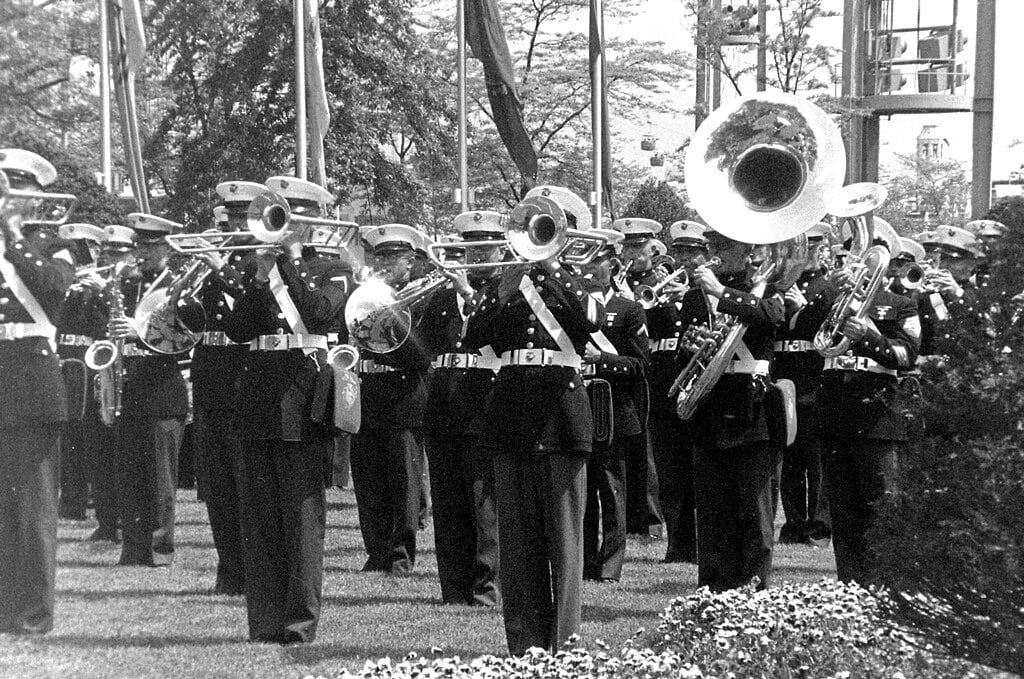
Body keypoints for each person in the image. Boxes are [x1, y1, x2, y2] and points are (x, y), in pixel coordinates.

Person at [463, 185, 602, 654]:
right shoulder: (504, 284)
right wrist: (498, 291)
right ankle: (524, 643)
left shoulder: (579, 281)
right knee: (518, 545)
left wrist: (550, 268)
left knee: (564, 544)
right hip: (512, 414)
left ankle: (565, 642)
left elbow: (590, 322)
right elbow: (474, 339)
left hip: (561, 416)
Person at [222, 175, 350, 643]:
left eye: (289, 214)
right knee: (259, 519)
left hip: (304, 401)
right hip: (258, 402)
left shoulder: (333, 268)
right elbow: (237, 330)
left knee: (301, 522)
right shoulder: (255, 270)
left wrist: (290, 262)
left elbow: (319, 313)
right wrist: (259, 277)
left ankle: (299, 623)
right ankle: (263, 622)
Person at [806, 229, 920, 585]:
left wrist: (868, 336)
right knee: (843, 509)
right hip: (836, 411)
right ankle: (850, 584)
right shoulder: (830, 298)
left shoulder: (901, 304)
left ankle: (886, 586)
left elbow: (905, 354)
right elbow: (804, 333)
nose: (862, 265)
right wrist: (827, 288)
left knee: (880, 506)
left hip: (877, 416)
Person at [679, 226, 785, 592]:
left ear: (747, 248)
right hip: (710, 408)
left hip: (751, 410)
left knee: (754, 516)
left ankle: (753, 594)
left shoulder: (765, 288)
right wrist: (694, 344)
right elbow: (684, 345)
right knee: (711, 515)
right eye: (713, 245)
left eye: (725, 245)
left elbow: (771, 316)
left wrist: (720, 293)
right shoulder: (695, 296)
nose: (716, 252)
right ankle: (712, 593)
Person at [0, 148, 74, 635]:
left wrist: (12, 237)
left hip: (32, 381)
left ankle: (32, 615)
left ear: (33, 198)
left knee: (32, 508)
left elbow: (54, 289)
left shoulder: (54, 243)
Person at [419, 211, 503, 605]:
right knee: (449, 501)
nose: (475, 255)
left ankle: (487, 587)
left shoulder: (506, 290)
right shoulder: (439, 295)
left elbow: (497, 338)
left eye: (484, 247)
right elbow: (422, 347)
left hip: (485, 403)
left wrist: (470, 294)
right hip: (443, 403)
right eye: (469, 247)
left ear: (501, 248)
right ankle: (452, 586)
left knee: (484, 504)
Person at [189, 180, 266, 595]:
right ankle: (229, 569)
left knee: (245, 486)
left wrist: (219, 268)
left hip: (243, 379)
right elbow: (192, 318)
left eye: (243, 217)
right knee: (217, 489)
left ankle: (251, 570)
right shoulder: (216, 262)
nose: (236, 224)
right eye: (231, 217)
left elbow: (252, 308)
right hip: (211, 380)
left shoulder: (261, 260)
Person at [349, 224, 432, 574]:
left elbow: (420, 352)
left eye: (392, 257)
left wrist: (392, 313)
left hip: (402, 396)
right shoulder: (365, 295)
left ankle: (401, 555)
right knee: (368, 481)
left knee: (402, 483)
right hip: (367, 393)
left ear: (410, 263)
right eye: (378, 256)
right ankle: (376, 551)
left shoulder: (423, 296)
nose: (383, 263)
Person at [111, 213, 191, 567]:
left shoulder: (180, 285)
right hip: (130, 386)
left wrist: (137, 332)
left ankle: (160, 550)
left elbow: (186, 337)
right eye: (139, 245)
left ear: (166, 247)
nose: (141, 252)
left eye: (149, 245)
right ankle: (133, 548)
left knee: (160, 480)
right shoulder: (127, 283)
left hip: (162, 388)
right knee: (129, 475)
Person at [579, 228, 650, 583]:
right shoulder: (570, 305)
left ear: (612, 263)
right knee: (582, 493)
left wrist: (603, 358)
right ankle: (584, 562)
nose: (590, 269)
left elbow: (640, 364)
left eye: (597, 261)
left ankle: (610, 565)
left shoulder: (628, 309)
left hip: (614, 412)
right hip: (577, 408)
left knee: (612, 491)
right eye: (585, 261)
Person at [645, 219, 709, 564]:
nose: (685, 261)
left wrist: (691, 297)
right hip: (665, 391)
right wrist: (659, 301)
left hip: (698, 389)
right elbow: (650, 334)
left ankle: (702, 541)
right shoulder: (663, 294)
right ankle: (678, 543)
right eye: (680, 253)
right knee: (670, 475)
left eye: (692, 254)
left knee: (700, 472)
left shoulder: (706, 295)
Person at [773, 222, 832, 546]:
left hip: (813, 378)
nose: (802, 254)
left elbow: (829, 330)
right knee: (790, 460)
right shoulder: (781, 282)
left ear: (820, 248)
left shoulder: (828, 285)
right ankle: (794, 524)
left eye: (809, 247)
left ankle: (819, 527)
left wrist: (803, 310)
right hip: (785, 378)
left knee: (816, 460)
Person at [611, 216, 664, 538]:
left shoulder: (661, 279)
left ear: (652, 248)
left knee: (648, 450)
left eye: (638, 246)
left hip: (655, 366)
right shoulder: (618, 281)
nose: (632, 253)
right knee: (628, 450)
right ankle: (631, 518)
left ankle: (652, 519)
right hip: (621, 369)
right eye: (627, 246)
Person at [55, 223, 107, 522]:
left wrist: (95, 294)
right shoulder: (64, 282)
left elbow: (103, 328)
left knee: (93, 437)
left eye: (86, 249)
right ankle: (71, 502)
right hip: (66, 363)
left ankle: (96, 503)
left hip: (92, 365)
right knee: (68, 435)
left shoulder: (104, 283)